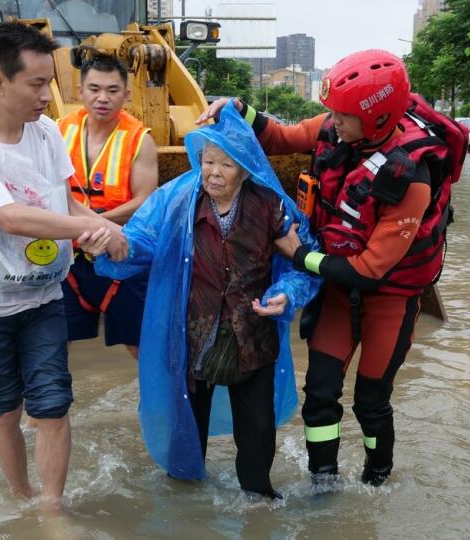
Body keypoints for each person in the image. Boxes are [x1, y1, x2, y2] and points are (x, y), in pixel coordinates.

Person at [198, 49, 467, 487]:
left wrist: (297, 255)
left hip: (389, 299)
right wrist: (239, 109)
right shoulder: (335, 132)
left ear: (378, 119)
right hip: (337, 294)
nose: (333, 121)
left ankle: (377, 478)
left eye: (344, 115)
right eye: (333, 113)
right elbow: (281, 137)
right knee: (320, 394)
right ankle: (324, 483)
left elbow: (368, 268)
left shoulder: (412, 177)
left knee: (371, 400)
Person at [0, 22, 125, 512]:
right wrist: (87, 232)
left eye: (51, 83)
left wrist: (109, 229)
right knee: (4, 409)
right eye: (37, 84)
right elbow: (9, 217)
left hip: (42, 295)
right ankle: (20, 494)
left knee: (53, 405)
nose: (49, 95)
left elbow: (66, 202)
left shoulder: (45, 133)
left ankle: (50, 509)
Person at [95, 104, 321, 499]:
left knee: (257, 431)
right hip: (193, 333)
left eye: (227, 165)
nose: (214, 172)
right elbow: (140, 242)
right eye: (208, 161)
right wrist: (116, 246)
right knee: (186, 426)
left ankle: (258, 501)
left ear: (246, 168)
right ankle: (186, 501)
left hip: (252, 333)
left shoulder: (273, 206)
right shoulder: (177, 200)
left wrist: (287, 294)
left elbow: (304, 264)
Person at [55, 53, 157, 359]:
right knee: (52, 346)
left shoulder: (140, 139)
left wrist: (98, 223)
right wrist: (86, 225)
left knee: (141, 346)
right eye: (95, 89)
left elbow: (144, 201)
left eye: (112, 91)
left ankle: (163, 406)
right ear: (80, 91)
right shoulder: (57, 131)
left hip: (121, 255)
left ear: (126, 95)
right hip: (67, 258)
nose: (103, 98)